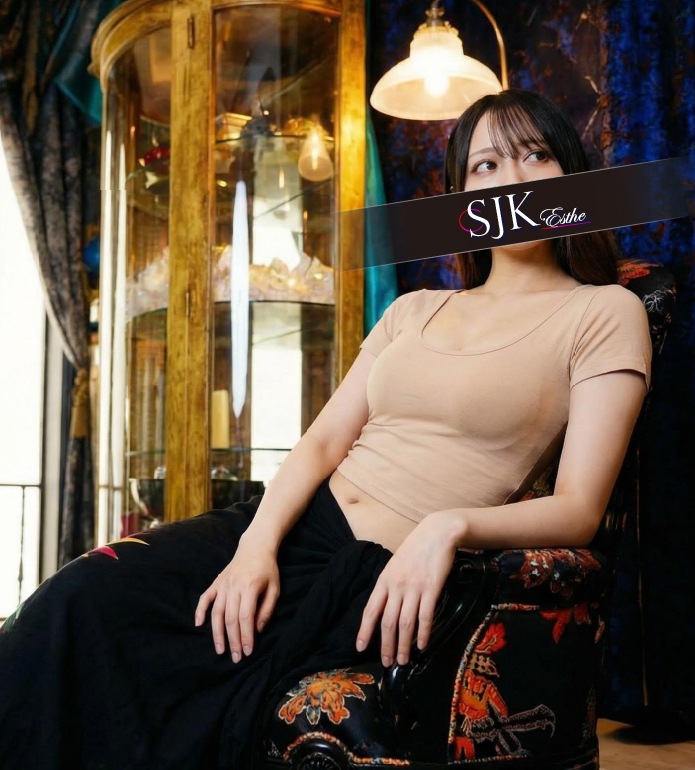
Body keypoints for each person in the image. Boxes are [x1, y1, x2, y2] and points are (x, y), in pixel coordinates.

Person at [0, 88, 652, 770]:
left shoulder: (605, 312)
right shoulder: (412, 309)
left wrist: (448, 526)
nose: (510, 180)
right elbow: (321, 443)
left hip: (379, 570)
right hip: (292, 526)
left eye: (535, 156)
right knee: (76, 600)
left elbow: (579, 509)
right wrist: (254, 546)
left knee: (193, 699)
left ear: (570, 177)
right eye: (485, 165)